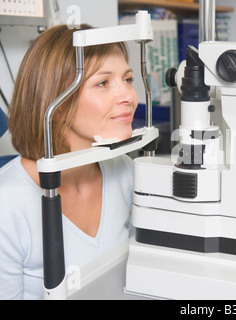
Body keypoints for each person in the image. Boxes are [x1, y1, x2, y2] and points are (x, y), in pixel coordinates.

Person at [0, 24, 138, 299]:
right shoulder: (8, 204)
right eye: (103, 83)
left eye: (128, 79)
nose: (129, 97)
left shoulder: (123, 169)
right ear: (56, 101)